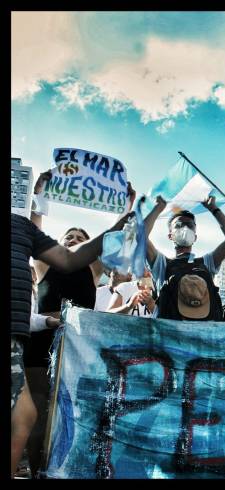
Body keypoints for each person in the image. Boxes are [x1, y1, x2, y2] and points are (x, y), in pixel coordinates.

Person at [23, 172, 135, 478]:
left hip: (78, 348)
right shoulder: (44, 263)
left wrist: (127, 206)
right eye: (68, 237)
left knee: (72, 414)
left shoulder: (92, 267)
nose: (72, 239)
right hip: (40, 345)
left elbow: (112, 237)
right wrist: (39, 192)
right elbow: (34, 228)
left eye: (79, 238)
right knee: (39, 413)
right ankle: (37, 472)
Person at [143, 195, 225, 320]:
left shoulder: (207, 262)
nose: (185, 228)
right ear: (170, 236)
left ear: (195, 236)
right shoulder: (161, 264)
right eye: (179, 225)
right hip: (170, 331)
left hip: (202, 330)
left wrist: (213, 208)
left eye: (190, 225)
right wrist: (158, 208)